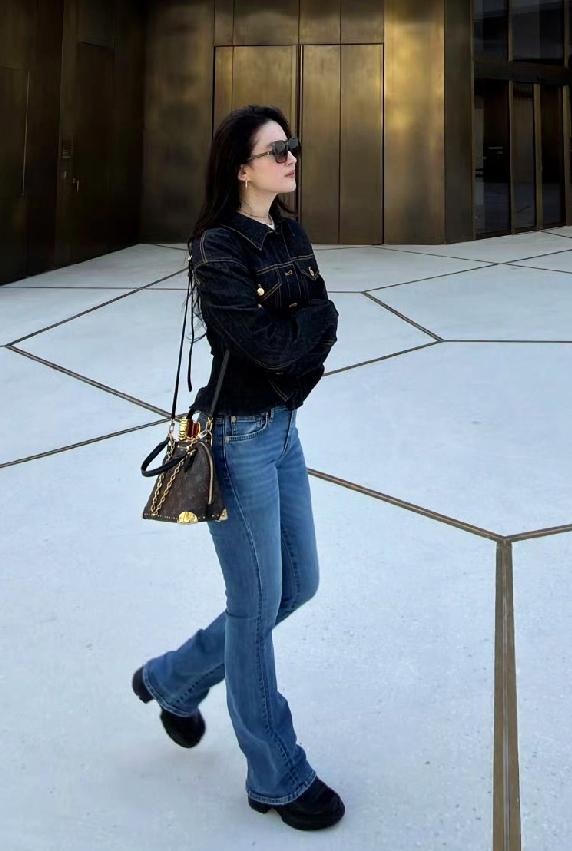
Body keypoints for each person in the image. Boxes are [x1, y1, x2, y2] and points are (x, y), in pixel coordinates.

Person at [132, 105, 344, 831]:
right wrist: (303, 334)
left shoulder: (288, 231)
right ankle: (277, 773)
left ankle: (172, 678)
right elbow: (276, 343)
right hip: (237, 438)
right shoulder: (218, 248)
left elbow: (321, 324)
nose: (292, 158)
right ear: (242, 168)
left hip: (283, 428)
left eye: (293, 146)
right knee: (254, 608)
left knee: (299, 584)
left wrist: (301, 336)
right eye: (277, 150)